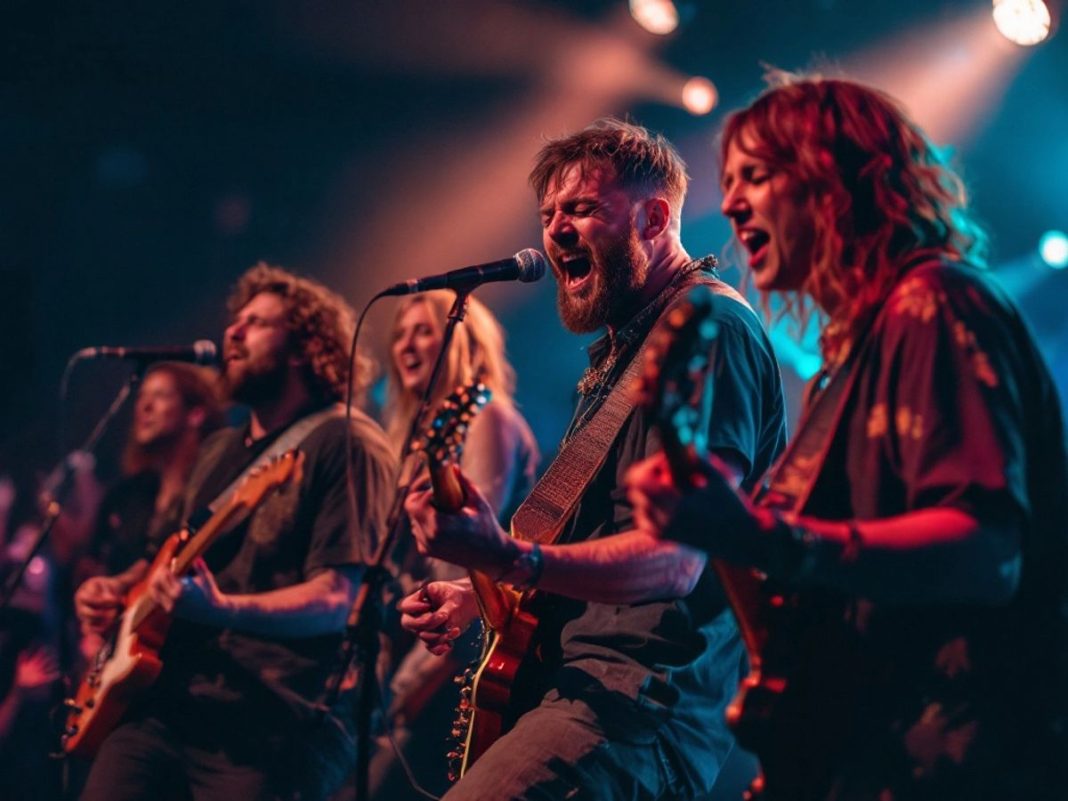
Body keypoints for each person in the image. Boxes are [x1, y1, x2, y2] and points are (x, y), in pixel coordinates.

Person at [626, 74, 1068, 801]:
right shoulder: (847, 362)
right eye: (729, 182)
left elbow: (985, 549)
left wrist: (768, 536)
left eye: (757, 177)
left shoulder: (935, 303)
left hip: (957, 756)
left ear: (833, 179)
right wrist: (731, 532)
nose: (730, 202)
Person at [399, 119, 787, 800]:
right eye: (548, 215)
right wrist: (477, 592)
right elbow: (597, 539)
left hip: (635, 708)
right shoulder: (625, 352)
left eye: (581, 209)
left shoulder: (710, 330)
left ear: (655, 217)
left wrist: (513, 558)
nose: (556, 230)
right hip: (574, 688)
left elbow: (675, 559)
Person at [77, 264, 396, 801]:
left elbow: (335, 600)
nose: (232, 332)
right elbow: (169, 552)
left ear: (304, 349)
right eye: (236, 321)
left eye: (257, 323)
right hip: (163, 705)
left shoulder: (345, 443)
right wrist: (119, 590)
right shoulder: (218, 449)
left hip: (265, 726)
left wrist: (223, 609)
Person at [366, 291, 540, 798]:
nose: (407, 345)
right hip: (413, 650)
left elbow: (470, 553)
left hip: (456, 659)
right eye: (400, 334)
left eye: (423, 330)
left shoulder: (487, 417)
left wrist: (410, 684)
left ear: (462, 338)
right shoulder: (413, 438)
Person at [74, 363, 223, 661]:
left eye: (161, 395)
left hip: (190, 656)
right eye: (142, 397)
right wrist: (94, 604)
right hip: (120, 658)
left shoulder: (214, 485)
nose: (144, 406)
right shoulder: (125, 495)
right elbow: (94, 564)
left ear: (196, 413)